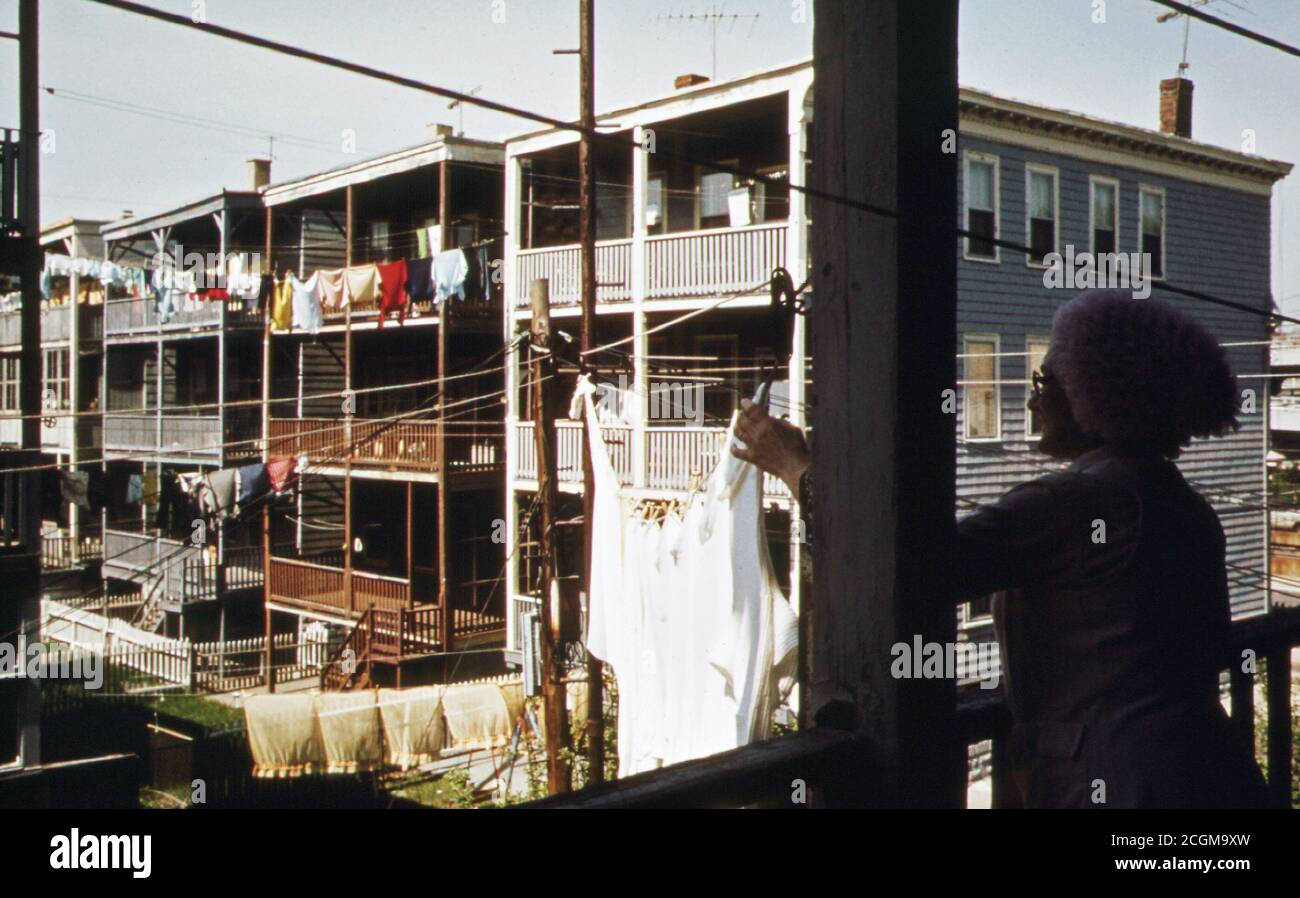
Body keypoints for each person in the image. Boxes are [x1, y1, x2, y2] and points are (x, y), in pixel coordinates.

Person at [732, 289, 1269, 808]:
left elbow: (907, 572)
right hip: (1213, 775)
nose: (1032, 399)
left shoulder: (1077, 501)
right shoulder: (1183, 506)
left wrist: (796, 469)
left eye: (1045, 380)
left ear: (1097, 392)